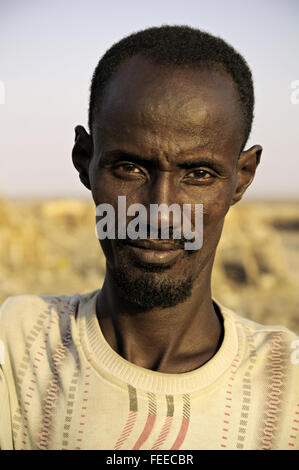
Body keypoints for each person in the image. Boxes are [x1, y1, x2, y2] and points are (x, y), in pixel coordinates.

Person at [0, 25, 298, 451]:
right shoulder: (16, 347)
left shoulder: (287, 390)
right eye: (129, 168)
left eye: (198, 174)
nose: (159, 212)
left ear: (241, 178)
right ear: (85, 161)